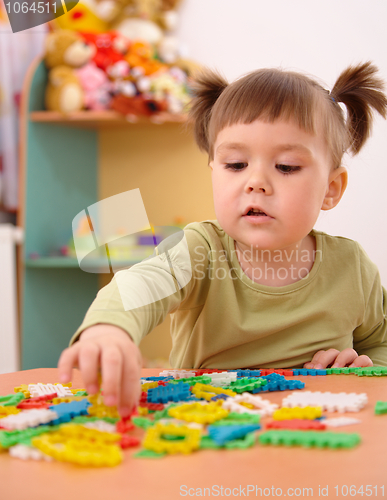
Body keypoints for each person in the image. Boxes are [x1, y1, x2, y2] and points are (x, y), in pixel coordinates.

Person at [58, 62, 387, 416]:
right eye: (235, 164)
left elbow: (380, 345)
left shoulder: (351, 267)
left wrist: (364, 369)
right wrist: (109, 330)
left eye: (287, 166)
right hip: (204, 432)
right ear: (214, 170)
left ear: (331, 188)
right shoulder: (200, 250)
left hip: (314, 435)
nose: (255, 182)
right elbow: (139, 286)